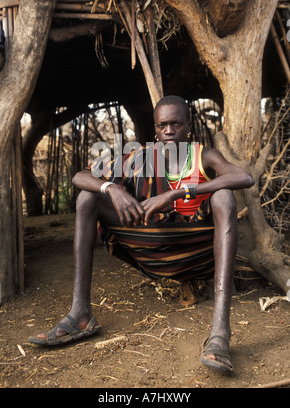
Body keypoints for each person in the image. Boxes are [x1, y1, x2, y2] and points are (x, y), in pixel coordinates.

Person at [29, 95, 254, 376]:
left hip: (201, 251)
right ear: (156, 129)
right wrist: (113, 188)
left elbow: (244, 177)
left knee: (223, 197)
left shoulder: (203, 156)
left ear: (188, 127)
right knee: (87, 198)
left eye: (176, 124)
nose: (169, 131)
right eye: (163, 126)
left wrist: (177, 192)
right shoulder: (143, 158)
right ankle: (81, 314)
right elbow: (79, 176)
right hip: (152, 248)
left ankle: (220, 333)